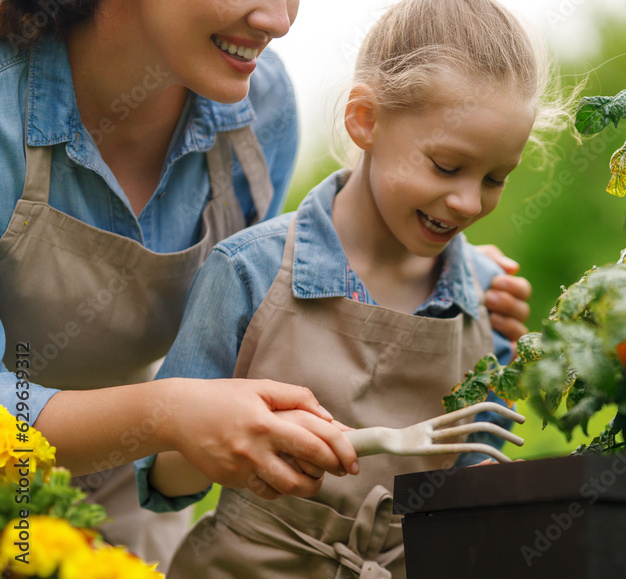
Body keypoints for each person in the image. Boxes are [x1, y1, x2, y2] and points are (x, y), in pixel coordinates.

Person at [0, 0, 533, 569]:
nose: (279, 20)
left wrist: (449, 280)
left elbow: (280, 318)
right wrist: (171, 413)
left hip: (120, 496)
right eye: (448, 167)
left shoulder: (260, 103)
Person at [138, 0, 570, 575]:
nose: (470, 202)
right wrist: (236, 441)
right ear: (365, 119)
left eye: (495, 178)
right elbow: (162, 477)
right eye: (446, 166)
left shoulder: (487, 302)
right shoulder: (249, 270)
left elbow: (474, 489)